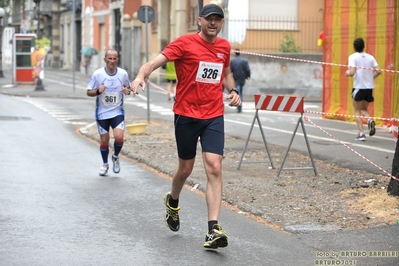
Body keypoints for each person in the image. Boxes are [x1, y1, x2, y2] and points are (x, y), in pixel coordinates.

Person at [130, 3, 241, 249]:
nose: (213, 23)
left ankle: (213, 229)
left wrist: (232, 90)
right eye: (209, 19)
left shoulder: (224, 47)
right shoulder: (183, 43)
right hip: (186, 115)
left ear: (222, 23)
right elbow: (151, 65)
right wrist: (140, 77)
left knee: (214, 167)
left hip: (213, 115)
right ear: (199, 21)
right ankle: (173, 200)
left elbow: (226, 73)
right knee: (186, 169)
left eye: (218, 20)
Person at [86, 49, 131, 176]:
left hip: (117, 112)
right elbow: (88, 91)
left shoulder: (123, 74)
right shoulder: (98, 74)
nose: (112, 61)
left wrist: (128, 91)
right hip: (102, 113)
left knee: (119, 137)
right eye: (109, 58)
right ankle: (105, 164)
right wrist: (98, 91)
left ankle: (115, 157)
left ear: (118, 59)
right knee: (104, 140)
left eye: (114, 58)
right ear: (105, 59)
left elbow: (129, 88)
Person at [345, 38, 382, 141]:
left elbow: (352, 72)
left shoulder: (353, 57)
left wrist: (347, 73)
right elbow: (379, 71)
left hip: (359, 87)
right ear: (363, 46)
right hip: (369, 88)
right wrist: (371, 78)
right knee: (364, 109)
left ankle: (361, 134)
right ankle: (370, 120)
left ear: (354, 47)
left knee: (357, 110)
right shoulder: (370, 57)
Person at [230, 48, 251, 113]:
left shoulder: (233, 61)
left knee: (238, 92)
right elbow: (247, 70)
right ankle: (240, 105)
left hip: (236, 78)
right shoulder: (244, 61)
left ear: (235, 53)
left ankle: (239, 105)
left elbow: (230, 70)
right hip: (242, 78)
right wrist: (248, 76)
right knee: (240, 91)